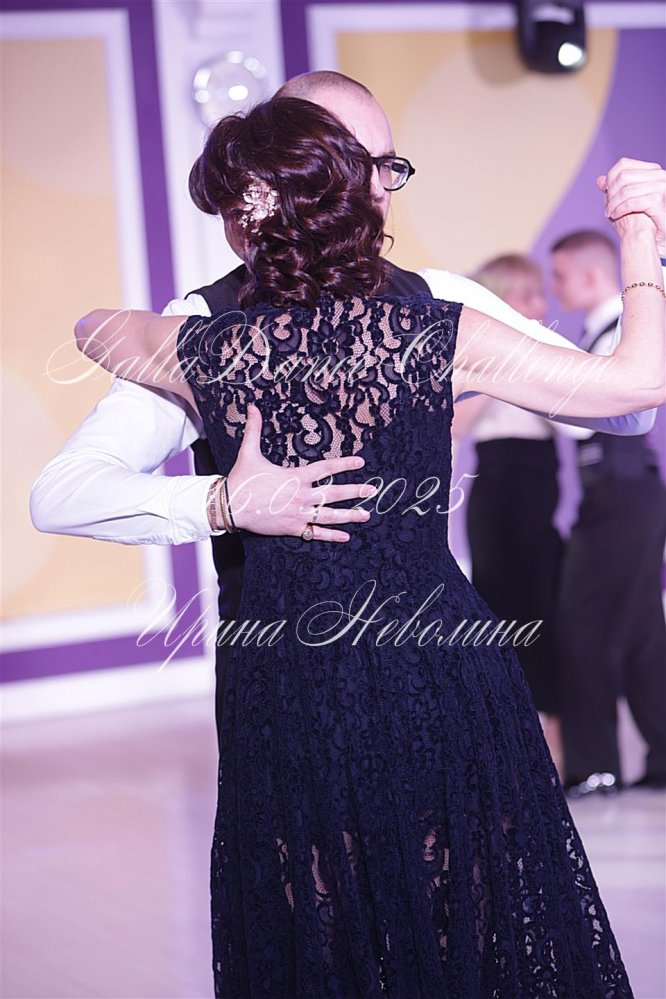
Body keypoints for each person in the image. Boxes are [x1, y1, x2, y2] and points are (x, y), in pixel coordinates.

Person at [74, 95, 665, 998]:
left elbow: (94, 329)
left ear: (255, 213)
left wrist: (227, 495)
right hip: (431, 659)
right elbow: (638, 385)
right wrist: (639, 234)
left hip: (292, 669)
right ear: (355, 200)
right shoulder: (438, 328)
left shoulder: (206, 345)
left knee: (328, 926)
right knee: (454, 919)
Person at [29, 71, 666, 752]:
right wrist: (221, 502)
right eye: (349, 163)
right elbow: (64, 493)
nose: (377, 188)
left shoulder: (438, 303)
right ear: (286, 168)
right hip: (285, 690)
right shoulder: (202, 322)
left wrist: (648, 244)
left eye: (386, 165)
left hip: (434, 664)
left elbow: (624, 413)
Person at [551, 230, 666, 797]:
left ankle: (595, 766)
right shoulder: (600, 332)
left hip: (622, 498)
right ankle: (659, 759)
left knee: (584, 625)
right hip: (624, 497)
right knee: (641, 631)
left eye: (561, 276)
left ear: (593, 276)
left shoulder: (621, 331)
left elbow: (587, 416)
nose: (555, 288)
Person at [451, 255, 564, 773]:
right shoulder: (480, 354)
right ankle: (513, 747)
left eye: (540, 293)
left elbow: (580, 418)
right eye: (526, 295)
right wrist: (500, 366)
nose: (539, 304)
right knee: (502, 612)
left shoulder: (548, 351)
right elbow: (456, 424)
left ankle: (554, 745)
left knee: (543, 610)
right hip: (497, 491)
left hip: (535, 489)